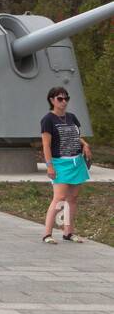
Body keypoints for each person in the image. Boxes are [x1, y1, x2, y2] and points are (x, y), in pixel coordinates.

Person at [40, 86, 92, 243]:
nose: (64, 102)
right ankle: (47, 234)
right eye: (60, 99)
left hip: (77, 162)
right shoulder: (48, 120)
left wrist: (85, 144)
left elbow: (76, 136)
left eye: (66, 98)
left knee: (73, 198)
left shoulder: (72, 117)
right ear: (52, 100)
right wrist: (49, 166)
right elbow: (46, 145)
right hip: (60, 163)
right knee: (59, 198)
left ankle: (68, 232)